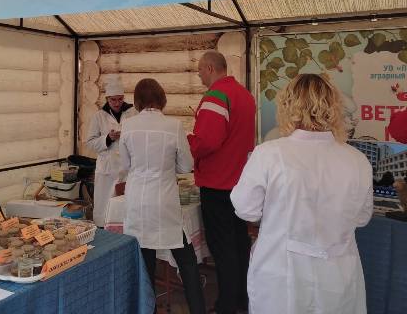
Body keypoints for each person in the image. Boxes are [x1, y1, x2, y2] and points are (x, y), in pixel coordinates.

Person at [231, 74, 372, 313]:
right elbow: (361, 218)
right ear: (333, 107)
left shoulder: (269, 154)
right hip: (336, 274)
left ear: (288, 106)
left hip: (282, 273)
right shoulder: (357, 160)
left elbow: (246, 209)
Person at [120, 78, 206, 314]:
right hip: (164, 201)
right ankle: (197, 309)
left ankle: (149, 310)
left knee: (145, 259)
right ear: (161, 99)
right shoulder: (174, 126)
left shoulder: (128, 126)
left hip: (137, 201)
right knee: (186, 260)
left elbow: (125, 165)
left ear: (137, 101)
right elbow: (186, 165)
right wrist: (168, 168)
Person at [187, 51, 254, 314]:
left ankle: (226, 305)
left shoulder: (216, 96)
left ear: (210, 68)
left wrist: (190, 140)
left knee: (222, 247)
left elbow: (207, 142)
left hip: (217, 183)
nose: (199, 76)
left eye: (200, 71)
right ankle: (241, 298)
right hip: (239, 181)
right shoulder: (244, 95)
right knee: (239, 243)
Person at [85, 76, 137, 227]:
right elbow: (90, 142)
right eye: (113, 100)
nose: (117, 103)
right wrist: (108, 138)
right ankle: (103, 228)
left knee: (125, 206)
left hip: (127, 168)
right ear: (107, 99)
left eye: (120, 99)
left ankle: (124, 230)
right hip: (107, 170)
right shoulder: (99, 116)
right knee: (105, 206)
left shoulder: (132, 113)